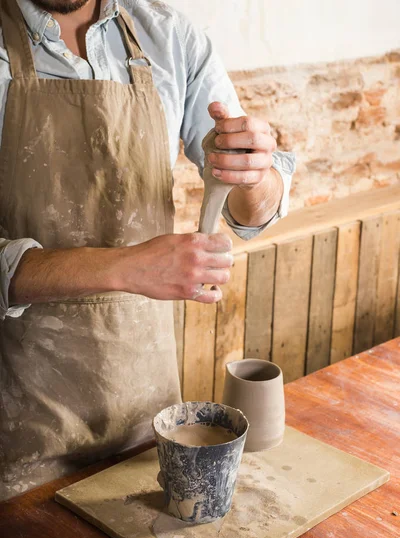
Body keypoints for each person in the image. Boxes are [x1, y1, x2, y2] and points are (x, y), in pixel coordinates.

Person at [0, 0, 295, 501]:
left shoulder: (170, 37)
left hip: (149, 420)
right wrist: (126, 266)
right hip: (19, 429)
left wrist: (254, 172)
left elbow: (252, 206)